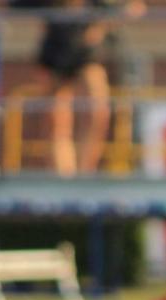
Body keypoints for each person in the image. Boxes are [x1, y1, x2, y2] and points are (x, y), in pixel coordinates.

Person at [34, 0, 146, 176]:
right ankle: (63, 174)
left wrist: (102, 25)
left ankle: (85, 172)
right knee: (55, 120)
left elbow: (135, 7)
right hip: (55, 57)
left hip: (85, 57)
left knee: (96, 109)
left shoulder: (97, 5)